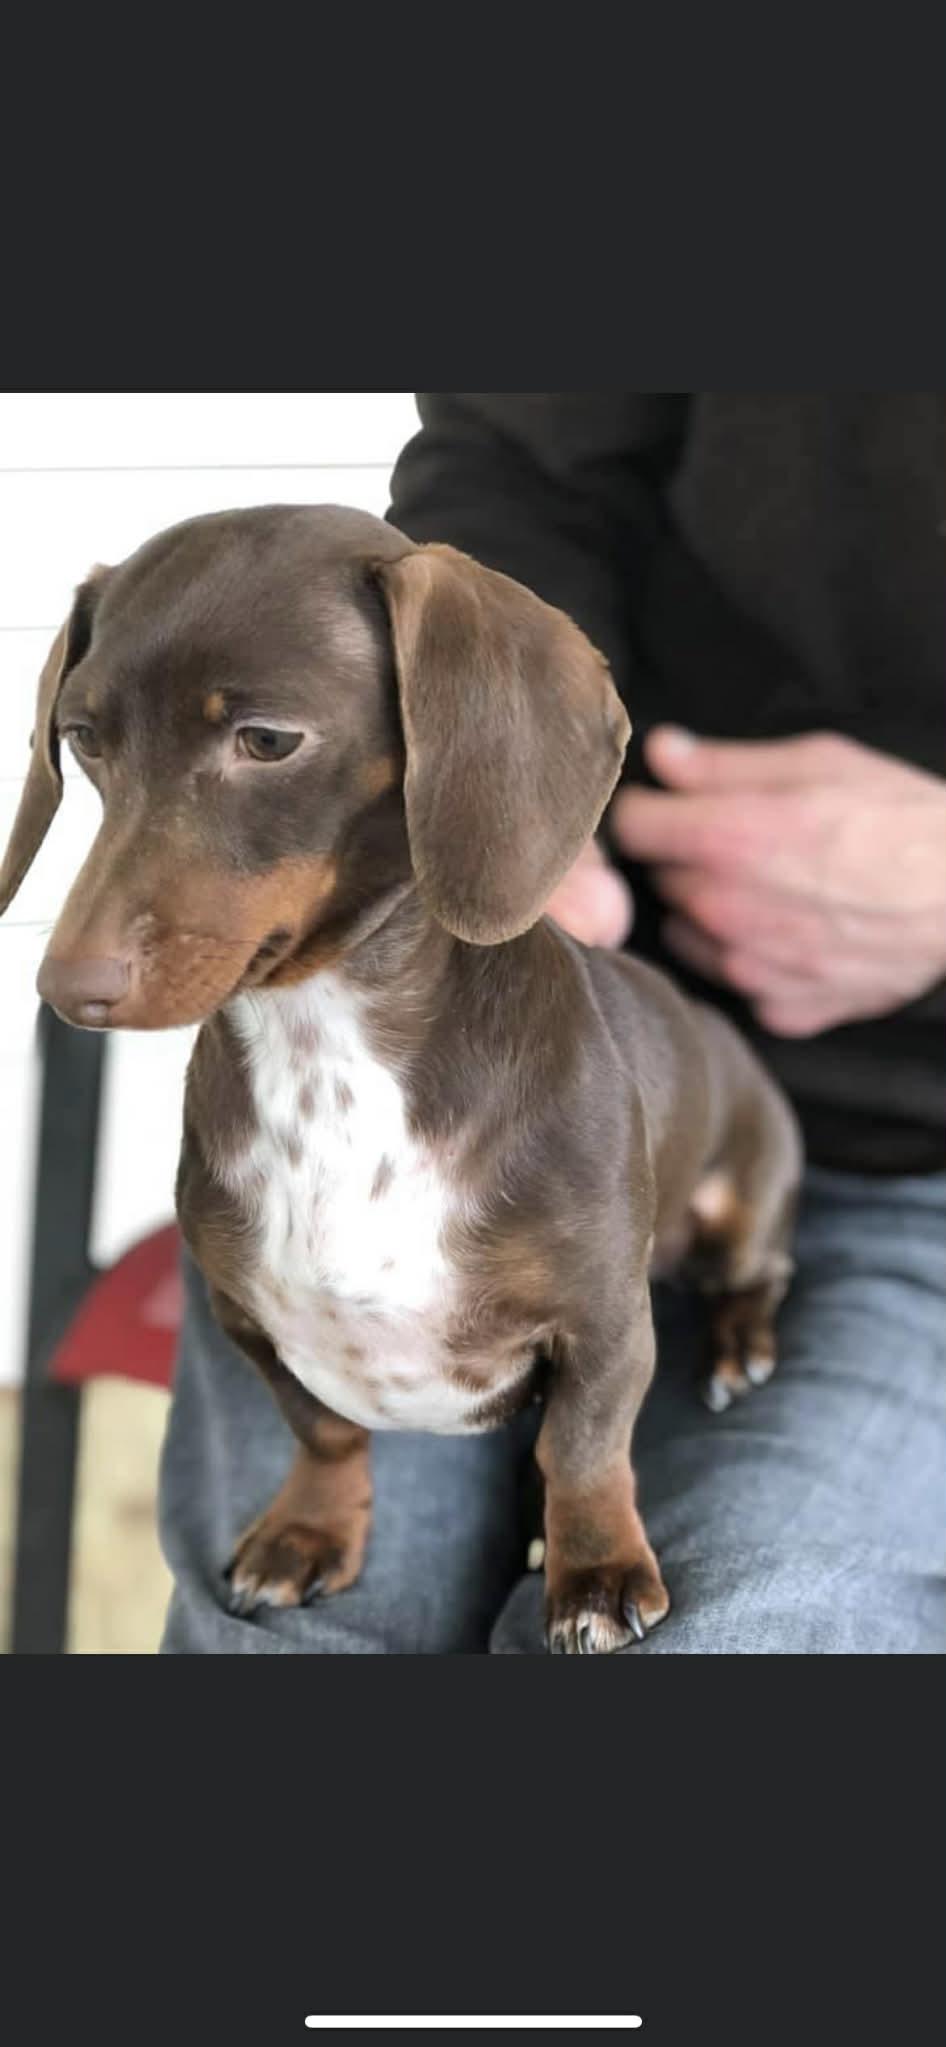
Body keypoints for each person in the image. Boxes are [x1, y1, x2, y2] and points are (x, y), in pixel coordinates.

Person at [159, 395, 946, 1654]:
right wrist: (510, 785)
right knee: (300, 1642)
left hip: (910, 1164)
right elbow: (518, 454)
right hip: (481, 1026)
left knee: (744, 1635)